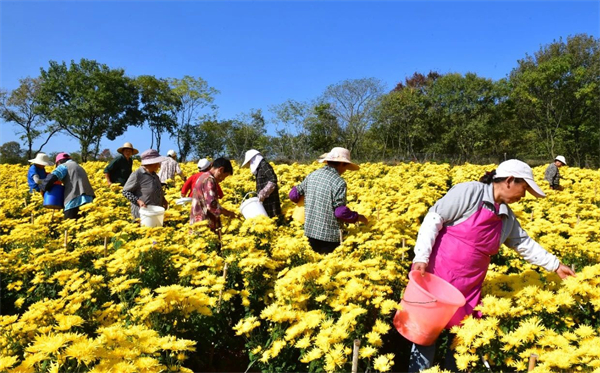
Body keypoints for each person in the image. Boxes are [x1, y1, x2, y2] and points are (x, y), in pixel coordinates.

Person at [408, 159, 576, 372]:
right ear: (509, 181)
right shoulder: (469, 192)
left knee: (462, 339)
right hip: (436, 278)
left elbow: (523, 243)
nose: (523, 196)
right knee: (425, 335)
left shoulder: (505, 216)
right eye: (523, 189)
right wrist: (421, 257)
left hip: (468, 288)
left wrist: (556, 265)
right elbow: (433, 219)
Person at [289, 147, 368, 254]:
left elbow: (293, 195)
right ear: (341, 163)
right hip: (329, 237)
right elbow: (340, 212)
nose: (345, 171)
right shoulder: (339, 182)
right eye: (346, 167)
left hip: (309, 232)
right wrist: (357, 217)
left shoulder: (312, 175)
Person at [41, 153, 95, 219]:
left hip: (74, 200)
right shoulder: (79, 167)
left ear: (58, 162)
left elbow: (51, 178)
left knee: (69, 224)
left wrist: (43, 188)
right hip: (88, 200)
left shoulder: (63, 166)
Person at [189, 157, 236, 232]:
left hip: (197, 224)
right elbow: (211, 205)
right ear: (221, 169)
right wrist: (228, 213)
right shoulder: (209, 180)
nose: (222, 179)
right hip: (204, 225)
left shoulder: (203, 176)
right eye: (224, 176)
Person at [122, 149, 169, 220]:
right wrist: (138, 201)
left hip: (154, 213)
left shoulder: (155, 175)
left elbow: (157, 190)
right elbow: (125, 192)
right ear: (152, 163)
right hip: (141, 215)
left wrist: (163, 199)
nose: (159, 165)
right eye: (158, 162)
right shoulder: (138, 174)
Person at [241, 149, 282, 218]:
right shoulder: (259, 168)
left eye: (249, 161)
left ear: (253, 159)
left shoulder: (264, 165)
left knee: (272, 219)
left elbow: (273, 179)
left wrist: (263, 192)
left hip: (271, 201)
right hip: (265, 201)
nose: (249, 164)